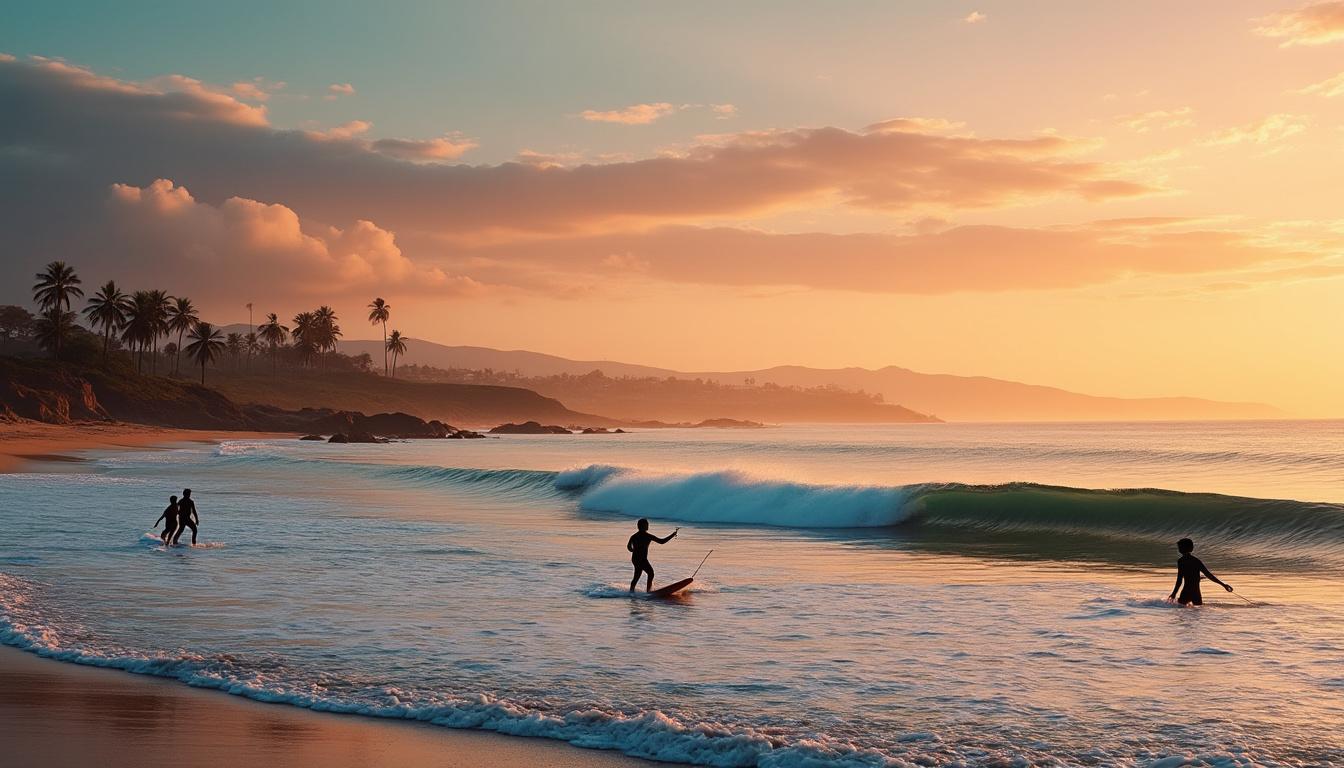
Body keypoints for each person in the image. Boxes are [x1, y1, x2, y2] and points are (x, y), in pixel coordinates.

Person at [1168, 537, 1232, 606]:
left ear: (1181, 549)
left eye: (1179, 547)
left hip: (1186, 592)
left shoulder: (1181, 561)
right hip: (1196, 593)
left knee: (1182, 612)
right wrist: (1223, 585)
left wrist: (1174, 593)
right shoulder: (1196, 561)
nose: (1178, 549)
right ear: (1191, 548)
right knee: (1198, 613)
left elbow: (1179, 580)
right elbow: (1208, 575)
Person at [627, 518, 678, 592]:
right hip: (642, 559)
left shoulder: (634, 536)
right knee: (650, 573)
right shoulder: (648, 536)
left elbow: (628, 547)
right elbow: (662, 541)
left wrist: (633, 550)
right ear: (643, 526)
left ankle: (631, 592)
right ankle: (648, 591)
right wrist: (672, 535)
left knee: (637, 576)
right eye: (647, 524)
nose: (648, 526)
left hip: (635, 558)